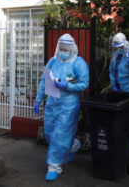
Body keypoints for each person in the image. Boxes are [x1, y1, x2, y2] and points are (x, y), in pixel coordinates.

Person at [34, 33, 89, 181]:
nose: (63, 51)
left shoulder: (79, 63)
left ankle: (54, 166)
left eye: (66, 49)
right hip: (52, 103)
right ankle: (72, 147)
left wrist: (67, 85)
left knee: (60, 135)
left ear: (72, 48)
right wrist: (38, 100)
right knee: (50, 134)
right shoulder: (53, 61)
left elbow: (84, 84)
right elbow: (44, 81)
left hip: (68, 105)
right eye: (61, 48)